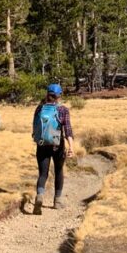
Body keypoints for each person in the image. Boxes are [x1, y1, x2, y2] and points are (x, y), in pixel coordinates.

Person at [31, 83, 74, 214]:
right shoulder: (63, 110)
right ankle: (57, 201)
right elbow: (68, 130)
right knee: (59, 171)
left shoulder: (39, 108)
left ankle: (40, 195)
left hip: (42, 144)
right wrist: (71, 147)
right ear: (59, 95)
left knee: (43, 173)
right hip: (57, 145)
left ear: (47, 94)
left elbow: (34, 127)